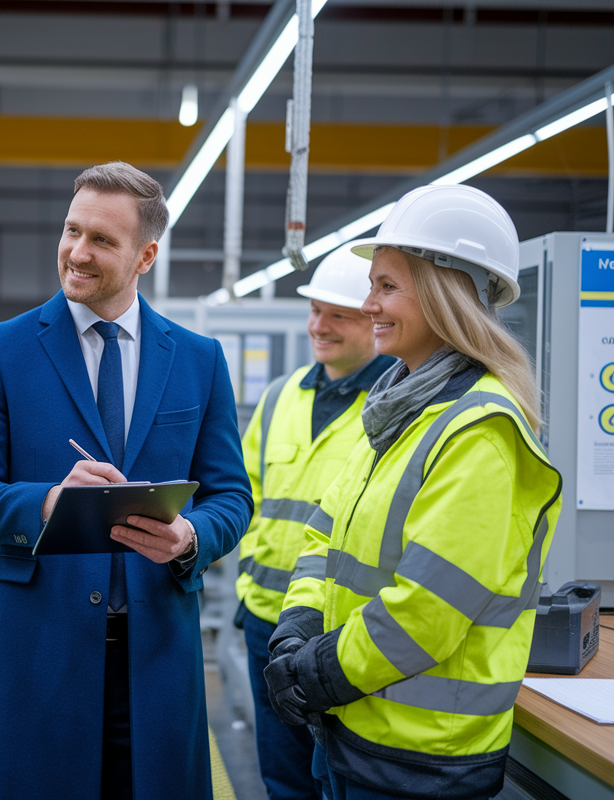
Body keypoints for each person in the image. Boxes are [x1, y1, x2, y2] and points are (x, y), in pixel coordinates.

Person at [0, 161, 252, 799]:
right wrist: (48, 501)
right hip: (38, 653)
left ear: (145, 255)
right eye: (71, 231)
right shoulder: (4, 349)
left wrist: (191, 536)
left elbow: (232, 497)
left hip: (157, 656)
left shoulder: (196, 359)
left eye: (102, 240)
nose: (77, 252)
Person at [265, 184, 563, 800]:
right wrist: (296, 625)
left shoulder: (481, 431)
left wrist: (316, 672)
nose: (368, 302)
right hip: (354, 729)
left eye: (386, 286)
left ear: (443, 293)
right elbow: (326, 537)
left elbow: (427, 612)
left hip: (418, 760)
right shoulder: (402, 413)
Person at [235, 241, 394, 800]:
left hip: (341, 635)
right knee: (282, 776)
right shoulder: (279, 397)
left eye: (338, 315)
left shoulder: (394, 407)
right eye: (314, 310)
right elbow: (247, 494)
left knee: (336, 778)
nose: (318, 326)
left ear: (373, 320)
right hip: (265, 622)